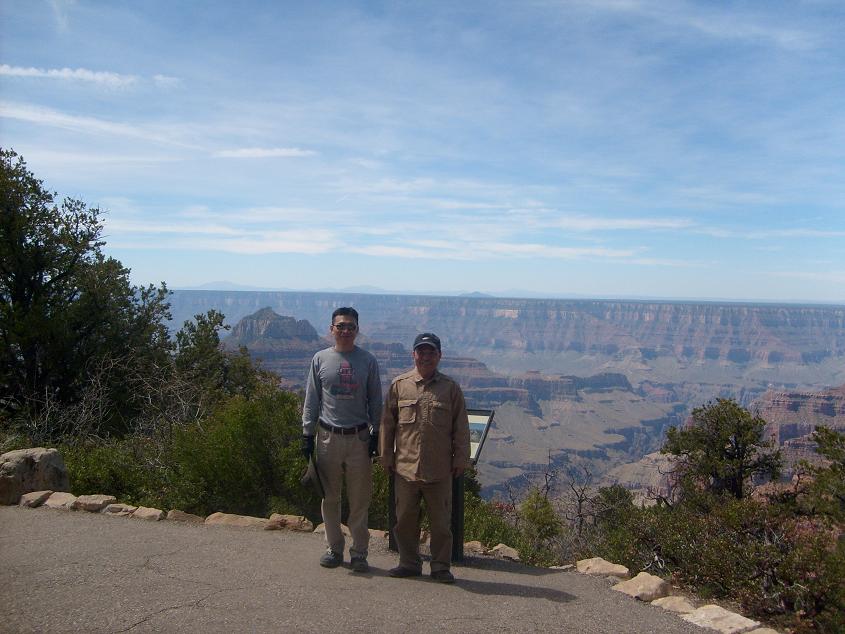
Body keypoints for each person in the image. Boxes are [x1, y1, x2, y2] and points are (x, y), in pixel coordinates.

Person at [379, 332, 470, 584]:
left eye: (431, 352)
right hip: (405, 468)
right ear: (413, 354)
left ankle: (441, 567)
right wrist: (386, 456)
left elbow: (461, 427)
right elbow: (387, 424)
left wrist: (460, 459)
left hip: (439, 469)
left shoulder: (450, 388)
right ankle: (408, 563)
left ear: (439, 356)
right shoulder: (400, 385)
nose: (426, 357)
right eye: (421, 352)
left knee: (441, 523)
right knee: (405, 520)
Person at [301, 307, 382, 573]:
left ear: (357, 330)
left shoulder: (368, 361)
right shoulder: (320, 359)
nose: (346, 330)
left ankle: (359, 552)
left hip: (359, 437)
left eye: (350, 326)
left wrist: (376, 433)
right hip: (328, 437)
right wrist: (307, 434)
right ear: (331, 329)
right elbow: (312, 399)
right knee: (330, 497)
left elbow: (376, 400)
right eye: (341, 326)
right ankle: (334, 548)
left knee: (359, 500)